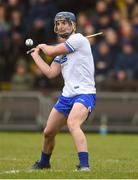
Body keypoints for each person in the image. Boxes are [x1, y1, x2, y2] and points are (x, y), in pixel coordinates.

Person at [30, 11, 96, 171]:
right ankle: (44, 163)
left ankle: (84, 165)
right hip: (67, 95)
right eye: (58, 24)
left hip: (85, 93)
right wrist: (35, 56)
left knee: (73, 123)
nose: (60, 26)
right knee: (48, 132)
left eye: (64, 23)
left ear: (73, 25)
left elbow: (51, 51)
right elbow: (51, 73)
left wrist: (45, 47)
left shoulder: (78, 39)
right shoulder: (63, 51)